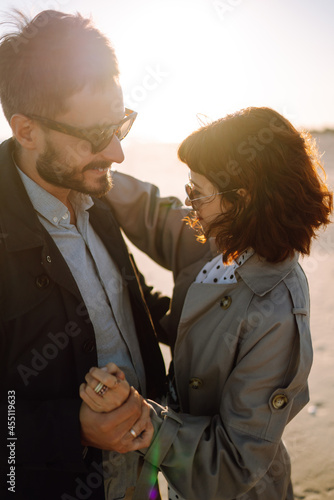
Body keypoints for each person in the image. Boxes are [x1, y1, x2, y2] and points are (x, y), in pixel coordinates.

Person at [84, 107, 333, 499]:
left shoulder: (277, 311)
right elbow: (153, 215)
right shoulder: (224, 239)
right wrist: (95, 170)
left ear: (241, 199)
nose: (189, 204)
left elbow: (234, 463)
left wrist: (141, 418)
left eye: (196, 192)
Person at [0, 10, 169, 500]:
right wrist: (72, 428)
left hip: (143, 471)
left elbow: (129, 296)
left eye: (120, 125)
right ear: (26, 130)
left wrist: (223, 324)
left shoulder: (96, 192)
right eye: (95, 136)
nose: (117, 152)